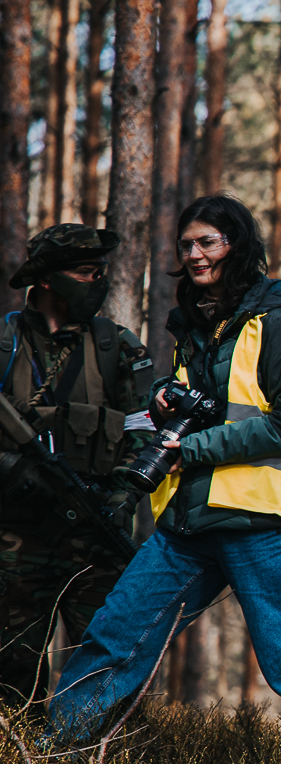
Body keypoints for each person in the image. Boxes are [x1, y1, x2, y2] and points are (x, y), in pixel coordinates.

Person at [48, 196, 281, 753]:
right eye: (187, 244)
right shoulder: (194, 327)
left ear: (237, 246)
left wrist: (192, 446)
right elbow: (210, 409)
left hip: (262, 520)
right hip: (190, 523)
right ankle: (52, 759)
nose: (194, 254)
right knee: (116, 637)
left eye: (209, 242)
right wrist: (165, 406)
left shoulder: (280, 320)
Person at [0, 225, 155, 710]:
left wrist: (122, 495)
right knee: (11, 667)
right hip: (15, 543)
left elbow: (146, 431)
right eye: (87, 273)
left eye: (102, 273)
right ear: (46, 279)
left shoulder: (120, 349)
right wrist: (13, 473)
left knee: (105, 668)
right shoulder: (5, 345)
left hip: (96, 538)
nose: (98, 282)